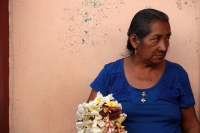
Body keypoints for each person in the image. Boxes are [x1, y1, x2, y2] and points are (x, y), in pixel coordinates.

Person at [87, 8, 200, 133]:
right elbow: (87, 121)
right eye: (156, 39)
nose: (164, 47)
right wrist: (102, 114)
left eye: (167, 38)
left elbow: (192, 126)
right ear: (134, 40)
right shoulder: (110, 74)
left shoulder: (177, 74)